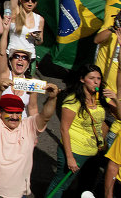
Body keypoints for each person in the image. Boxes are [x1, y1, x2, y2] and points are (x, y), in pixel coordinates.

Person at [0, 77, 59, 198]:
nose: (14, 117)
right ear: (0, 112)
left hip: (17, 194)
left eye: (18, 113)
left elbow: (45, 117)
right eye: (10, 112)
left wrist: (52, 98)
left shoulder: (28, 126)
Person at [47, 64, 114, 198]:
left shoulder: (100, 99)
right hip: (75, 152)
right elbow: (64, 129)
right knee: (60, 186)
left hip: (94, 152)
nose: (96, 82)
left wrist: (115, 100)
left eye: (99, 78)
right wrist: (70, 158)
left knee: (86, 188)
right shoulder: (73, 101)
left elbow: (118, 116)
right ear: (82, 79)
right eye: (92, 78)